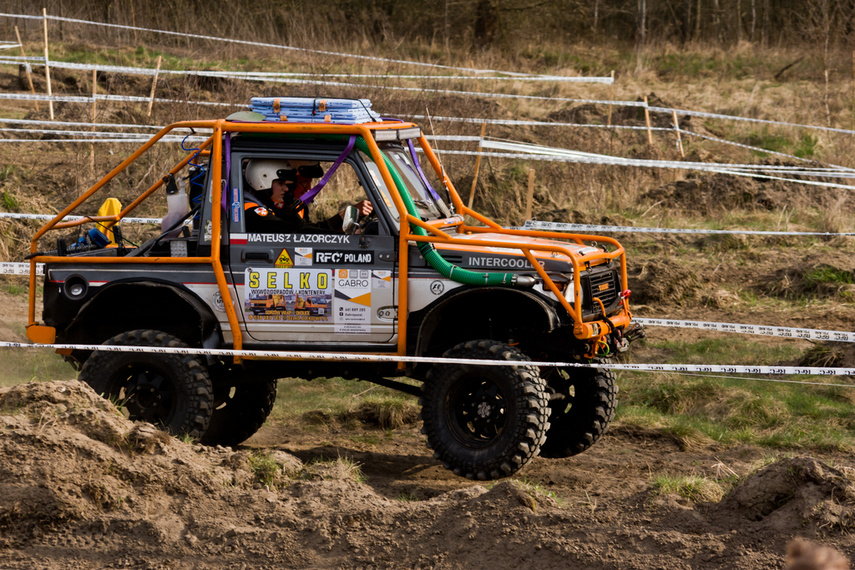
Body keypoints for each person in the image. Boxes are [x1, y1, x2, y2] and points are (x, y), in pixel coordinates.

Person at [243, 159, 372, 233]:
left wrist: (342, 219)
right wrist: (342, 237)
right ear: (263, 182)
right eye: (281, 183)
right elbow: (300, 232)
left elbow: (305, 229)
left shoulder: (277, 206)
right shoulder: (253, 212)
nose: (287, 188)